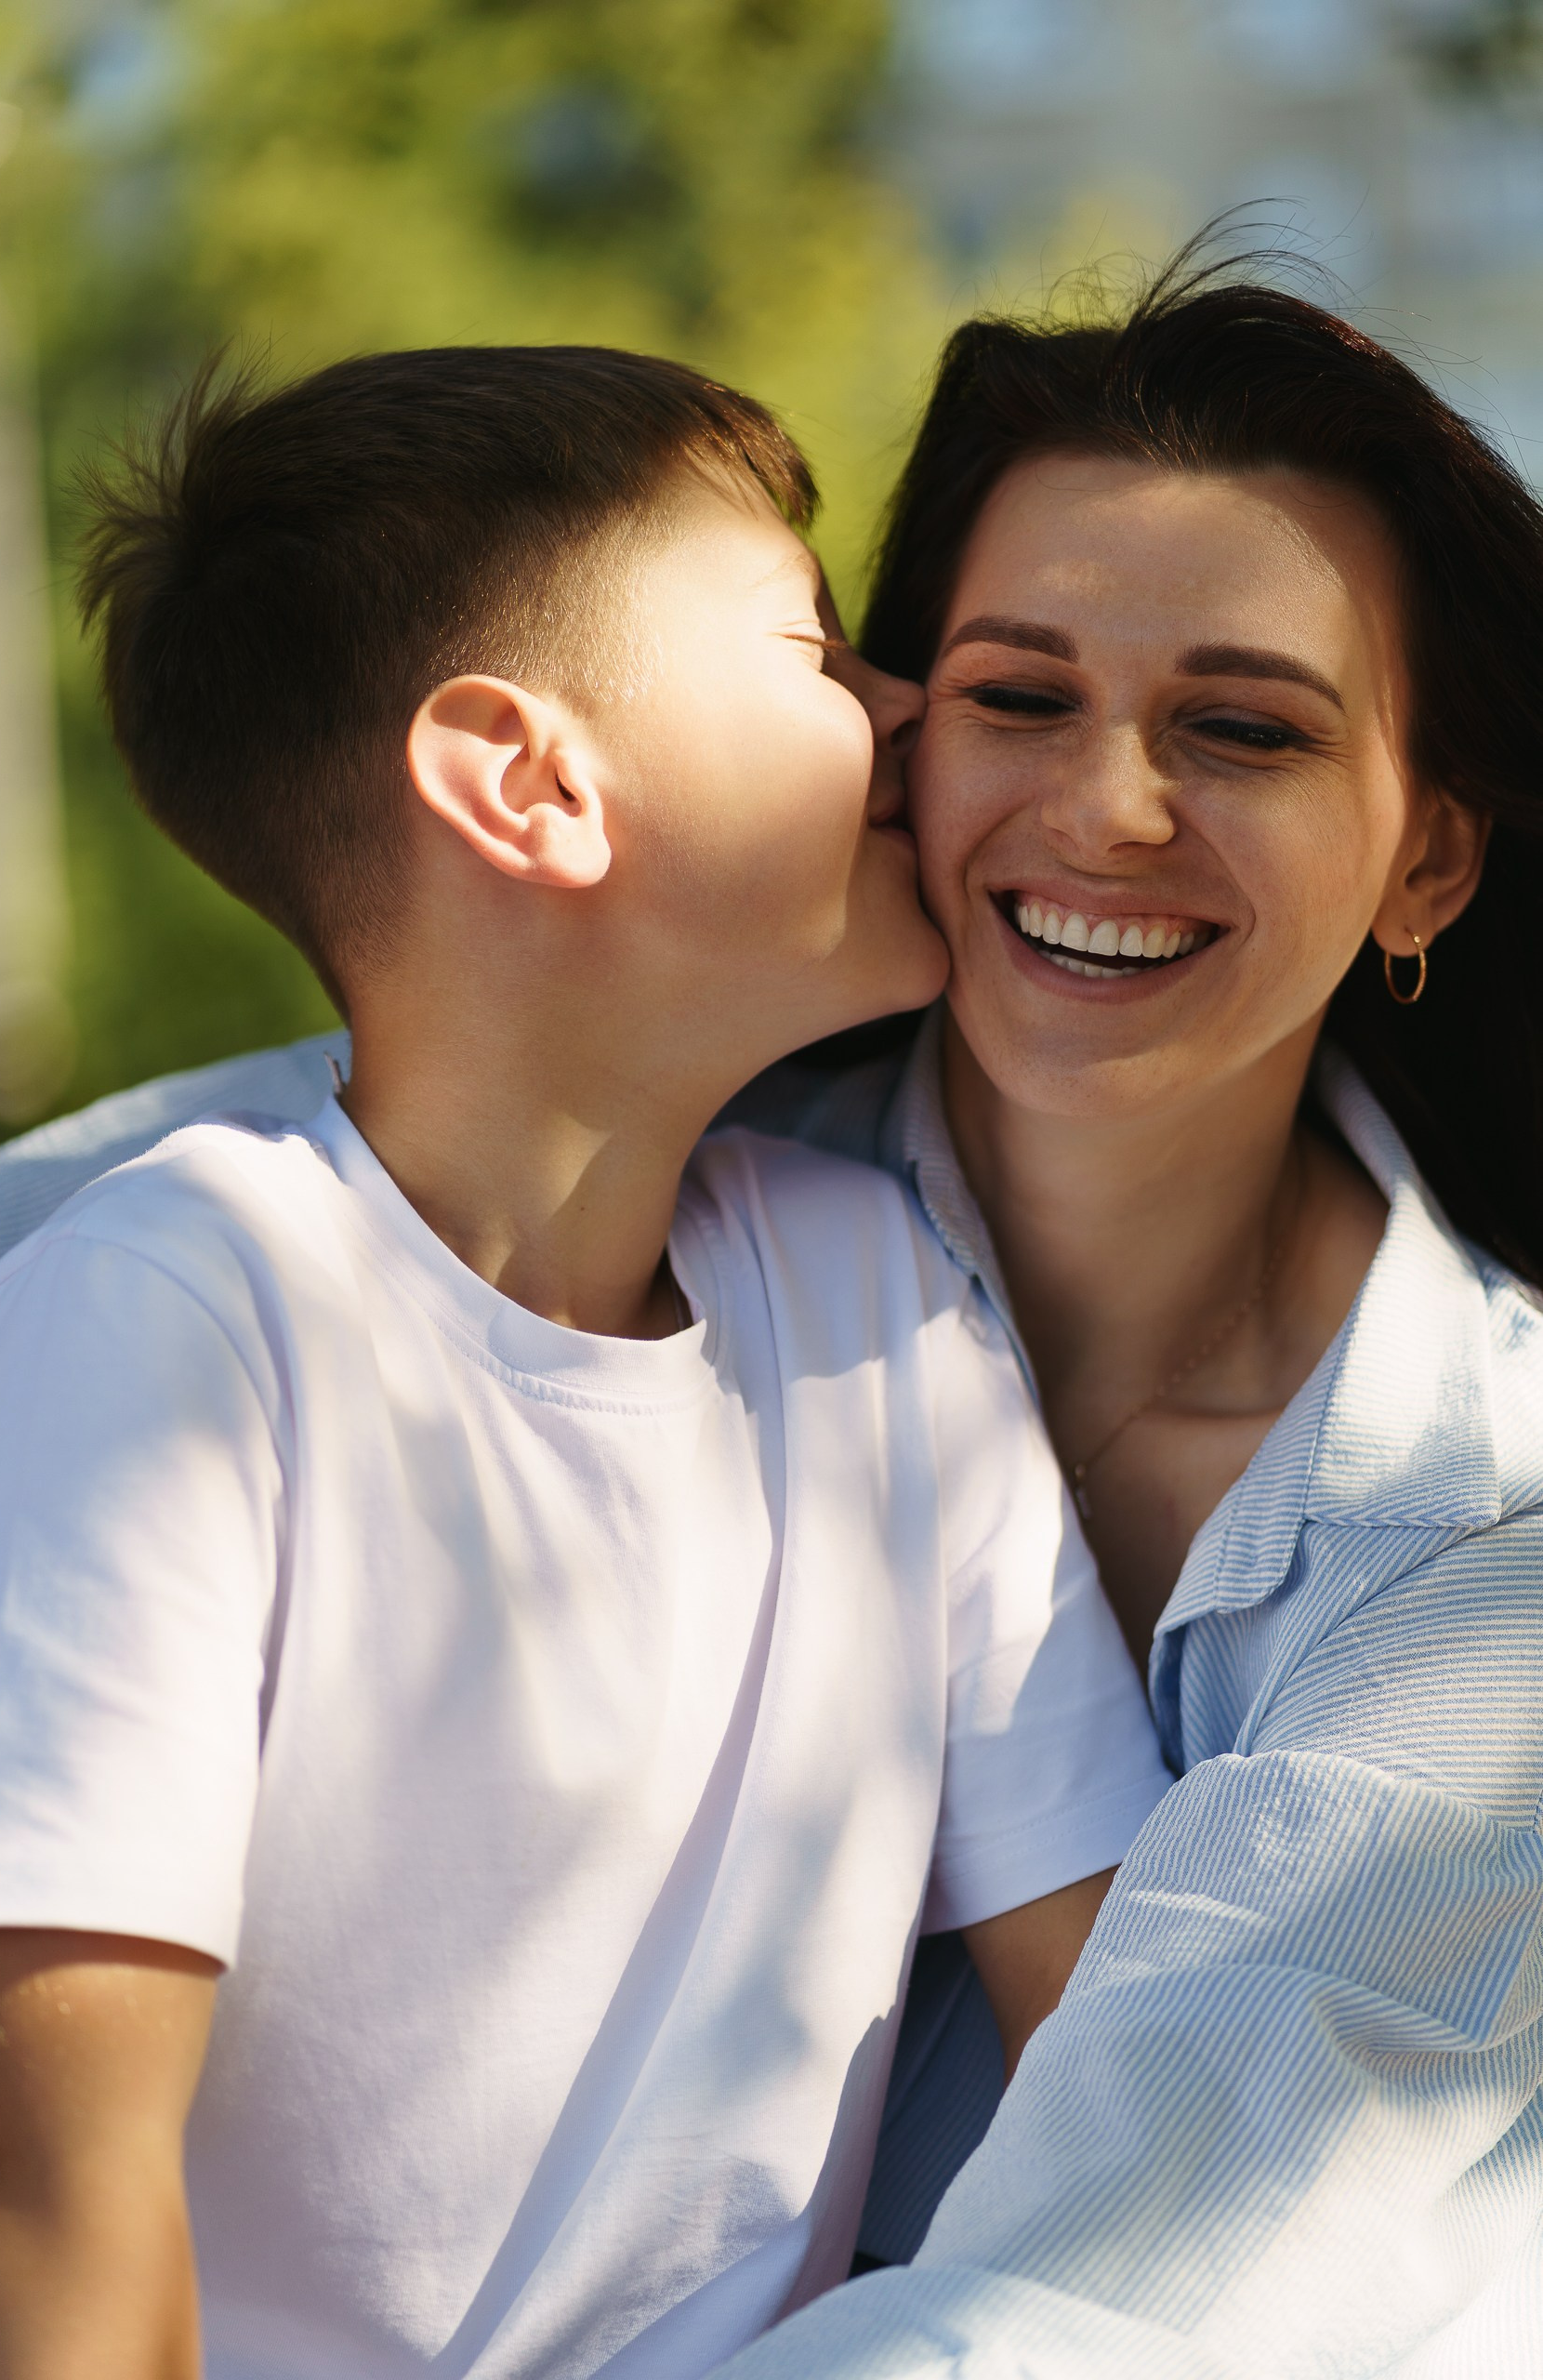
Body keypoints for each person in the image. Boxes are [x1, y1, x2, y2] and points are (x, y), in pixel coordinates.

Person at [0, 347, 1172, 2380]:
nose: (908, 705)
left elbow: (1130, 2057)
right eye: (811, 648)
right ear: (527, 784)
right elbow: (44, 2230)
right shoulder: (172, 1324)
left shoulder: (882, 1300)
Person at [708, 259, 1543, 2373]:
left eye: (1241, 728)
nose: (1104, 810)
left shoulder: (1500, 1530)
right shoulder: (594, 1209)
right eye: (1016, 696)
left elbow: (1105, 2298)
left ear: (1428, 864)